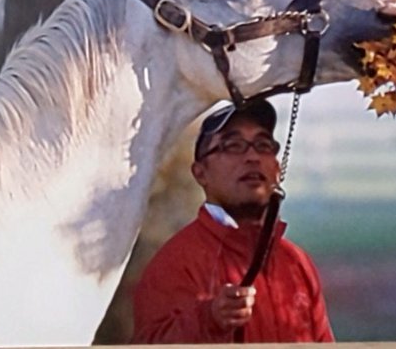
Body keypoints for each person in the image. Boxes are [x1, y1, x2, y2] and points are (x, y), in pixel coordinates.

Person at [131, 100, 335, 343]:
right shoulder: (174, 263)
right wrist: (209, 319)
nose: (252, 157)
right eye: (233, 145)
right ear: (200, 173)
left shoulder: (296, 263)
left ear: (277, 169)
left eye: (263, 145)